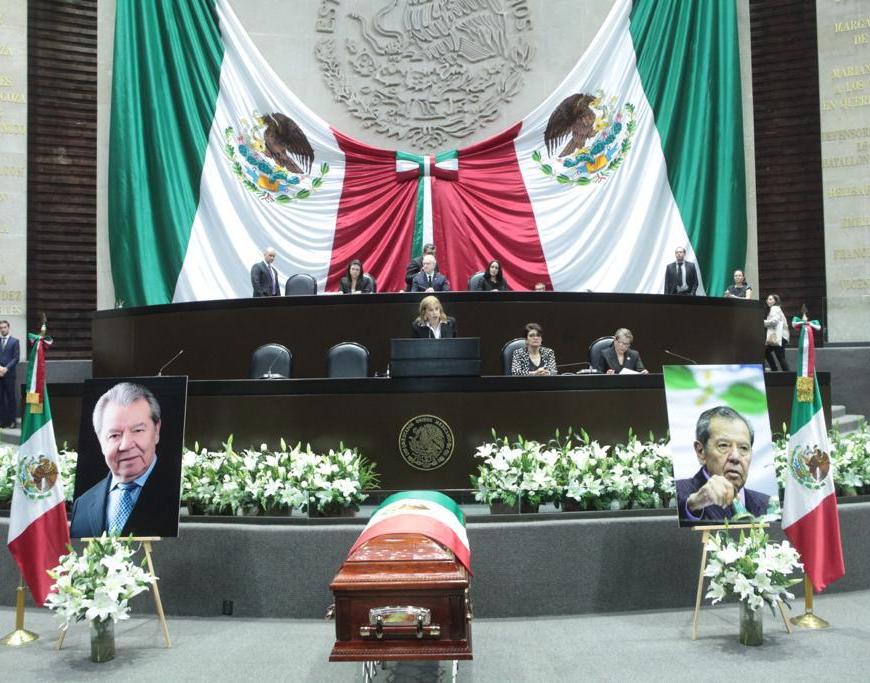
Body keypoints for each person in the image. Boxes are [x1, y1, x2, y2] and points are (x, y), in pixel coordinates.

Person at [69, 382, 178, 538]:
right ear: (100, 441)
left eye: (138, 430)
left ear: (156, 431)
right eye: (114, 435)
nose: (126, 445)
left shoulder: (178, 497)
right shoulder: (82, 505)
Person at [676, 405, 771, 523]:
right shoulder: (678, 493)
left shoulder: (768, 505)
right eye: (723, 445)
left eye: (744, 448)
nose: (735, 457)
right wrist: (694, 504)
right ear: (701, 451)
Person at [0, 320, 20, 428]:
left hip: (9, 375)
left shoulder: (15, 341)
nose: (3, 329)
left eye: (4, 327)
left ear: (8, 328)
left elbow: (16, 358)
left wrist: (6, 368)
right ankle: (2, 421)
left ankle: (12, 421)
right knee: (1, 399)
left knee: (11, 398)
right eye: (1, 328)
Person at [764, 293, 789, 371]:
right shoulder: (777, 309)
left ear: (775, 301)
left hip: (779, 336)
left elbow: (774, 321)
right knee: (778, 356)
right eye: (768, 299)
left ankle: (783, 373)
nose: (768, 300)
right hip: (780, 336)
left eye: (770, 299)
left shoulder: (774, 308)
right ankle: (776, 370)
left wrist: (762, 322)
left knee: (780, 357)